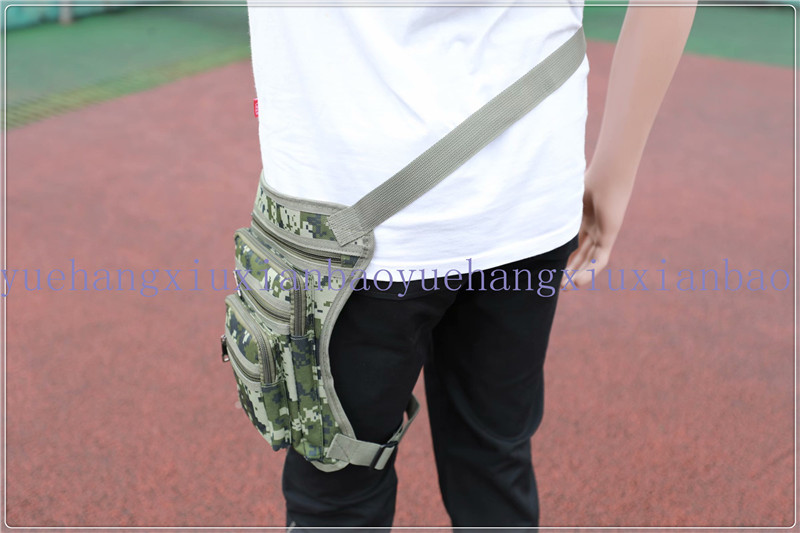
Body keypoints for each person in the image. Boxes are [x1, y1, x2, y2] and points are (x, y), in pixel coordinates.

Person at [245, 2, 697, 529]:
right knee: (495, 466)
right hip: (526, 186)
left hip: (340, 214)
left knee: (335, 492)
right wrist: (615, 173)